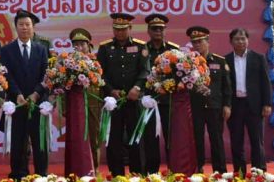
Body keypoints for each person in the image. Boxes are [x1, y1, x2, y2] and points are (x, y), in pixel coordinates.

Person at [0, 10, 50, 179]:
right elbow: (6, 75)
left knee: (39, 141)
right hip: (17, 103)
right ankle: (18, 174)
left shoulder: (41, 49)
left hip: (37, 102)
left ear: (33, 27)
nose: (24, 28)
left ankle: (41, 174)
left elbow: (46, 74)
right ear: (16, 27)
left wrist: (36, 94)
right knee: (18, 142)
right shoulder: (6, 50)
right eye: (21, 25)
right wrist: (17, 94)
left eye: (28, 25)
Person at [97, 13, 149, 177]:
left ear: (130, 28)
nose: (119, 33)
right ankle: (116, 174)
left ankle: (137, 174)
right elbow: (100, 73)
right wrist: (111, 90)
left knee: (136, 137)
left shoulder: (141, 46)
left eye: (123, 29)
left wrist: (137, 88)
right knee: (114, 139)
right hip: (114, 101)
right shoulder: (105, 48)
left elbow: (145, 71)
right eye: (116, 29)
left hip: (133, 99)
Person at [225, 28, 272, 175]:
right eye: (237, 39)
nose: (240, 41)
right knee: (236, 141)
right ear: (231, 41)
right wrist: (225, 105)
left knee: (257, 140)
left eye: (243, 38)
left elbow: (266, 82)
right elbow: (223, 86)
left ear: (248, 40)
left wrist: (267, 103)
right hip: (235, 105)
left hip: (254, 105)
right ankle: (239, 173)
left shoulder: (258, 58)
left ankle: (259, 172)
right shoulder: (225, 60)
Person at [187, 26, 232, 174]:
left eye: (200, 41)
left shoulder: (219, 61)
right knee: (196, 140)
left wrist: (227, 105)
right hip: (196, 106)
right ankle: (197, 170)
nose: (197, 45)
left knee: (216, 139)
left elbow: (227, 86)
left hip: (215, 106)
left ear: (208, 41)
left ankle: (220, 171)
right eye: (194, 42)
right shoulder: (188, 62)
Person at [142, 14, 181, 174]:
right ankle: (152, 174)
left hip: (169, 102)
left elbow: (179, 75)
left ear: (165, 30)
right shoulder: (142, 49)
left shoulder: (174, 50)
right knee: (150, 140)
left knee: (172, 139)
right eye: (154, 29)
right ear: (148, 31)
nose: (158, 31)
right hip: (148, 102)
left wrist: (167, 87)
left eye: (161, 29)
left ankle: (174, 171)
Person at [69, 28, 102, 170]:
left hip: (94, 105)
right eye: (76, 45)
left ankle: (94, 171)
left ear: (89, 45)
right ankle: (75, 171)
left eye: (82, 44)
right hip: (75, 107)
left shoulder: (97, 62)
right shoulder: (68, 64)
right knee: (75, 139)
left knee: (93, 139)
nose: (79, 48)